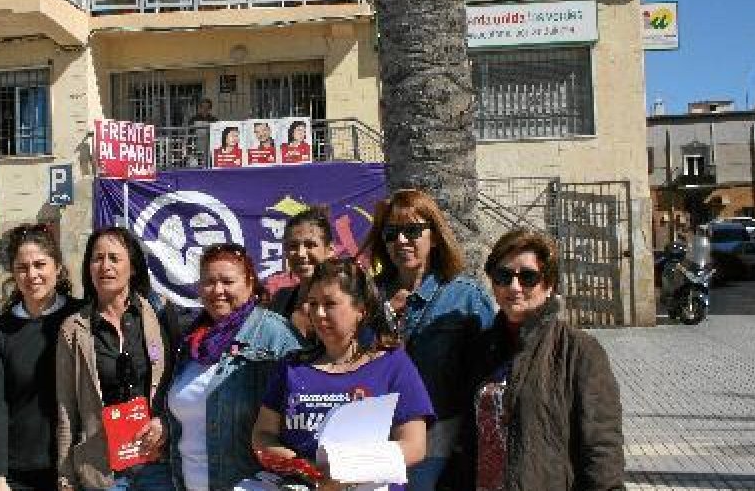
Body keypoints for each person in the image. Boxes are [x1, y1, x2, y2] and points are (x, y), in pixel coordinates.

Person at [450, 229, 624, 491]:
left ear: (549, 284)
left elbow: (601, 448)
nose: (514, 287)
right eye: (503, 276)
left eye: (528, 277)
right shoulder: (481, 348)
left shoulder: (579, 351)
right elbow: (466, 439)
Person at [250, 258, 433, 491]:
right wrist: (299, 466)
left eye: (330, 303)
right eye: (313, 303)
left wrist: (347, 471)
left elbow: (414, 446)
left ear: (361, 310)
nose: (319, 313)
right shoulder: (292, 367)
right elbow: (263, 434)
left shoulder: (393, 364)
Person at [359, 189, 496, 491]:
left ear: (434, 236)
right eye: (392, 233)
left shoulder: (465, 297)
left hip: (441, 442)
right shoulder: (367, 297)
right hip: (377, 439)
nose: (402, 241)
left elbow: (486, 377)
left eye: (412, 231)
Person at [166, 243, 300, 490]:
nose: (217, 290)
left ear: (249, 284)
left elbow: (299, 420)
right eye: (209, 282)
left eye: (228, 281)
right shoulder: (192, 342)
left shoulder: (274, 335)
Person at [55, 227, 175, 491]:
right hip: (103, 471)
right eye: (97, 258)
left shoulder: (159, 313)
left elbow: (176, 382)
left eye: (114, 258)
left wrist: (165, 421)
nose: (104, 266)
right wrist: (65, 475)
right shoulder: (74, 329)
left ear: (132, 267)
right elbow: (66, 408)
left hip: (156, 463)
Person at [0, 225, 83, 491]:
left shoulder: (81, 318)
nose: (32, 275)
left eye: (40, 265)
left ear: (57, 267)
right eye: (22, 268)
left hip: (77, 465)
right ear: (13, 274)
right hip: (20, 471)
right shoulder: (0, 331)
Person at [266, 207, 336, 338]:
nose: (301, 254)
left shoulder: (348, 299)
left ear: (330, 250)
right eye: (293, 246)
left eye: (310, 245)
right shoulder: (280, 300)